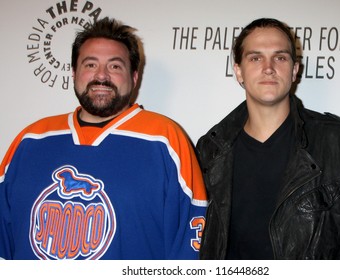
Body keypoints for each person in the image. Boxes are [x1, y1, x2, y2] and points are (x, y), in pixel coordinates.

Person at [0, 17, 207, 260]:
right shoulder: (32, 139)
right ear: (74, 72)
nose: (101, 76)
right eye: (90, 65)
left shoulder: (165, 139)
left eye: (115, 66)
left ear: (135, 77)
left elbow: (189, 243)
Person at [196, 18, 340, 259]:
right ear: (238, 71)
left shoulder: (339, 141)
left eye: (280, 57)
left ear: (295, 70)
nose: (268, 67)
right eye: (255, 58)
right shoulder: (211, 148)